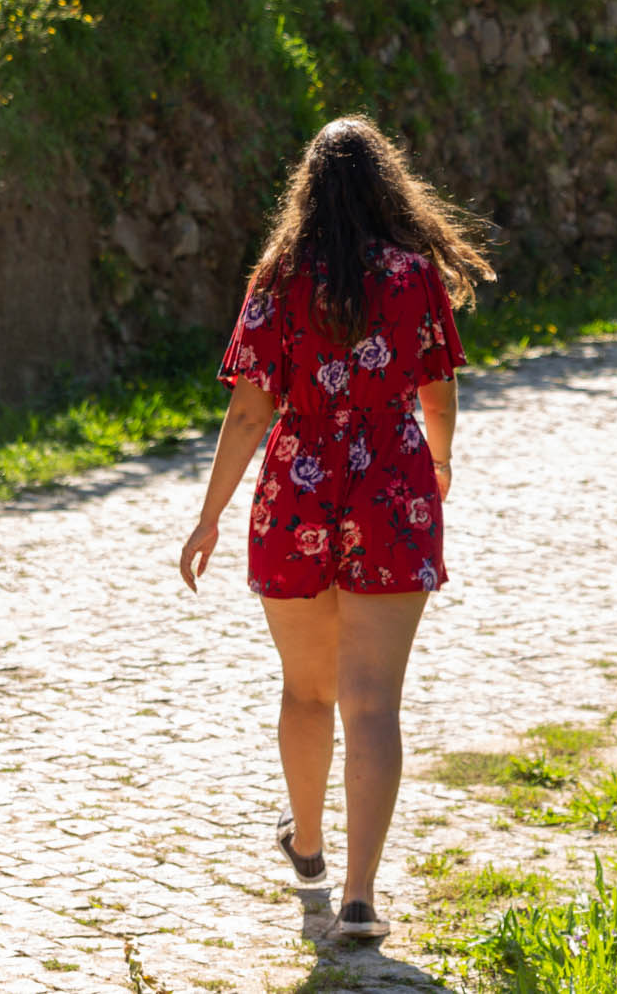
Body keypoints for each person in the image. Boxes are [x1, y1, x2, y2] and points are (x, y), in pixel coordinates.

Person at [179, 116, 491, 942]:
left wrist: (209, 516)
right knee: (373, 701)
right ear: (389, 185)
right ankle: (359, 898)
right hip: (392, 484)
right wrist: (441, 461)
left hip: (298, 488)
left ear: (306, 192)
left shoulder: (278, 277)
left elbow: (249, 410)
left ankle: (308, 846)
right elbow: (437, 386)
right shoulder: (414, 274)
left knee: (305, 689)